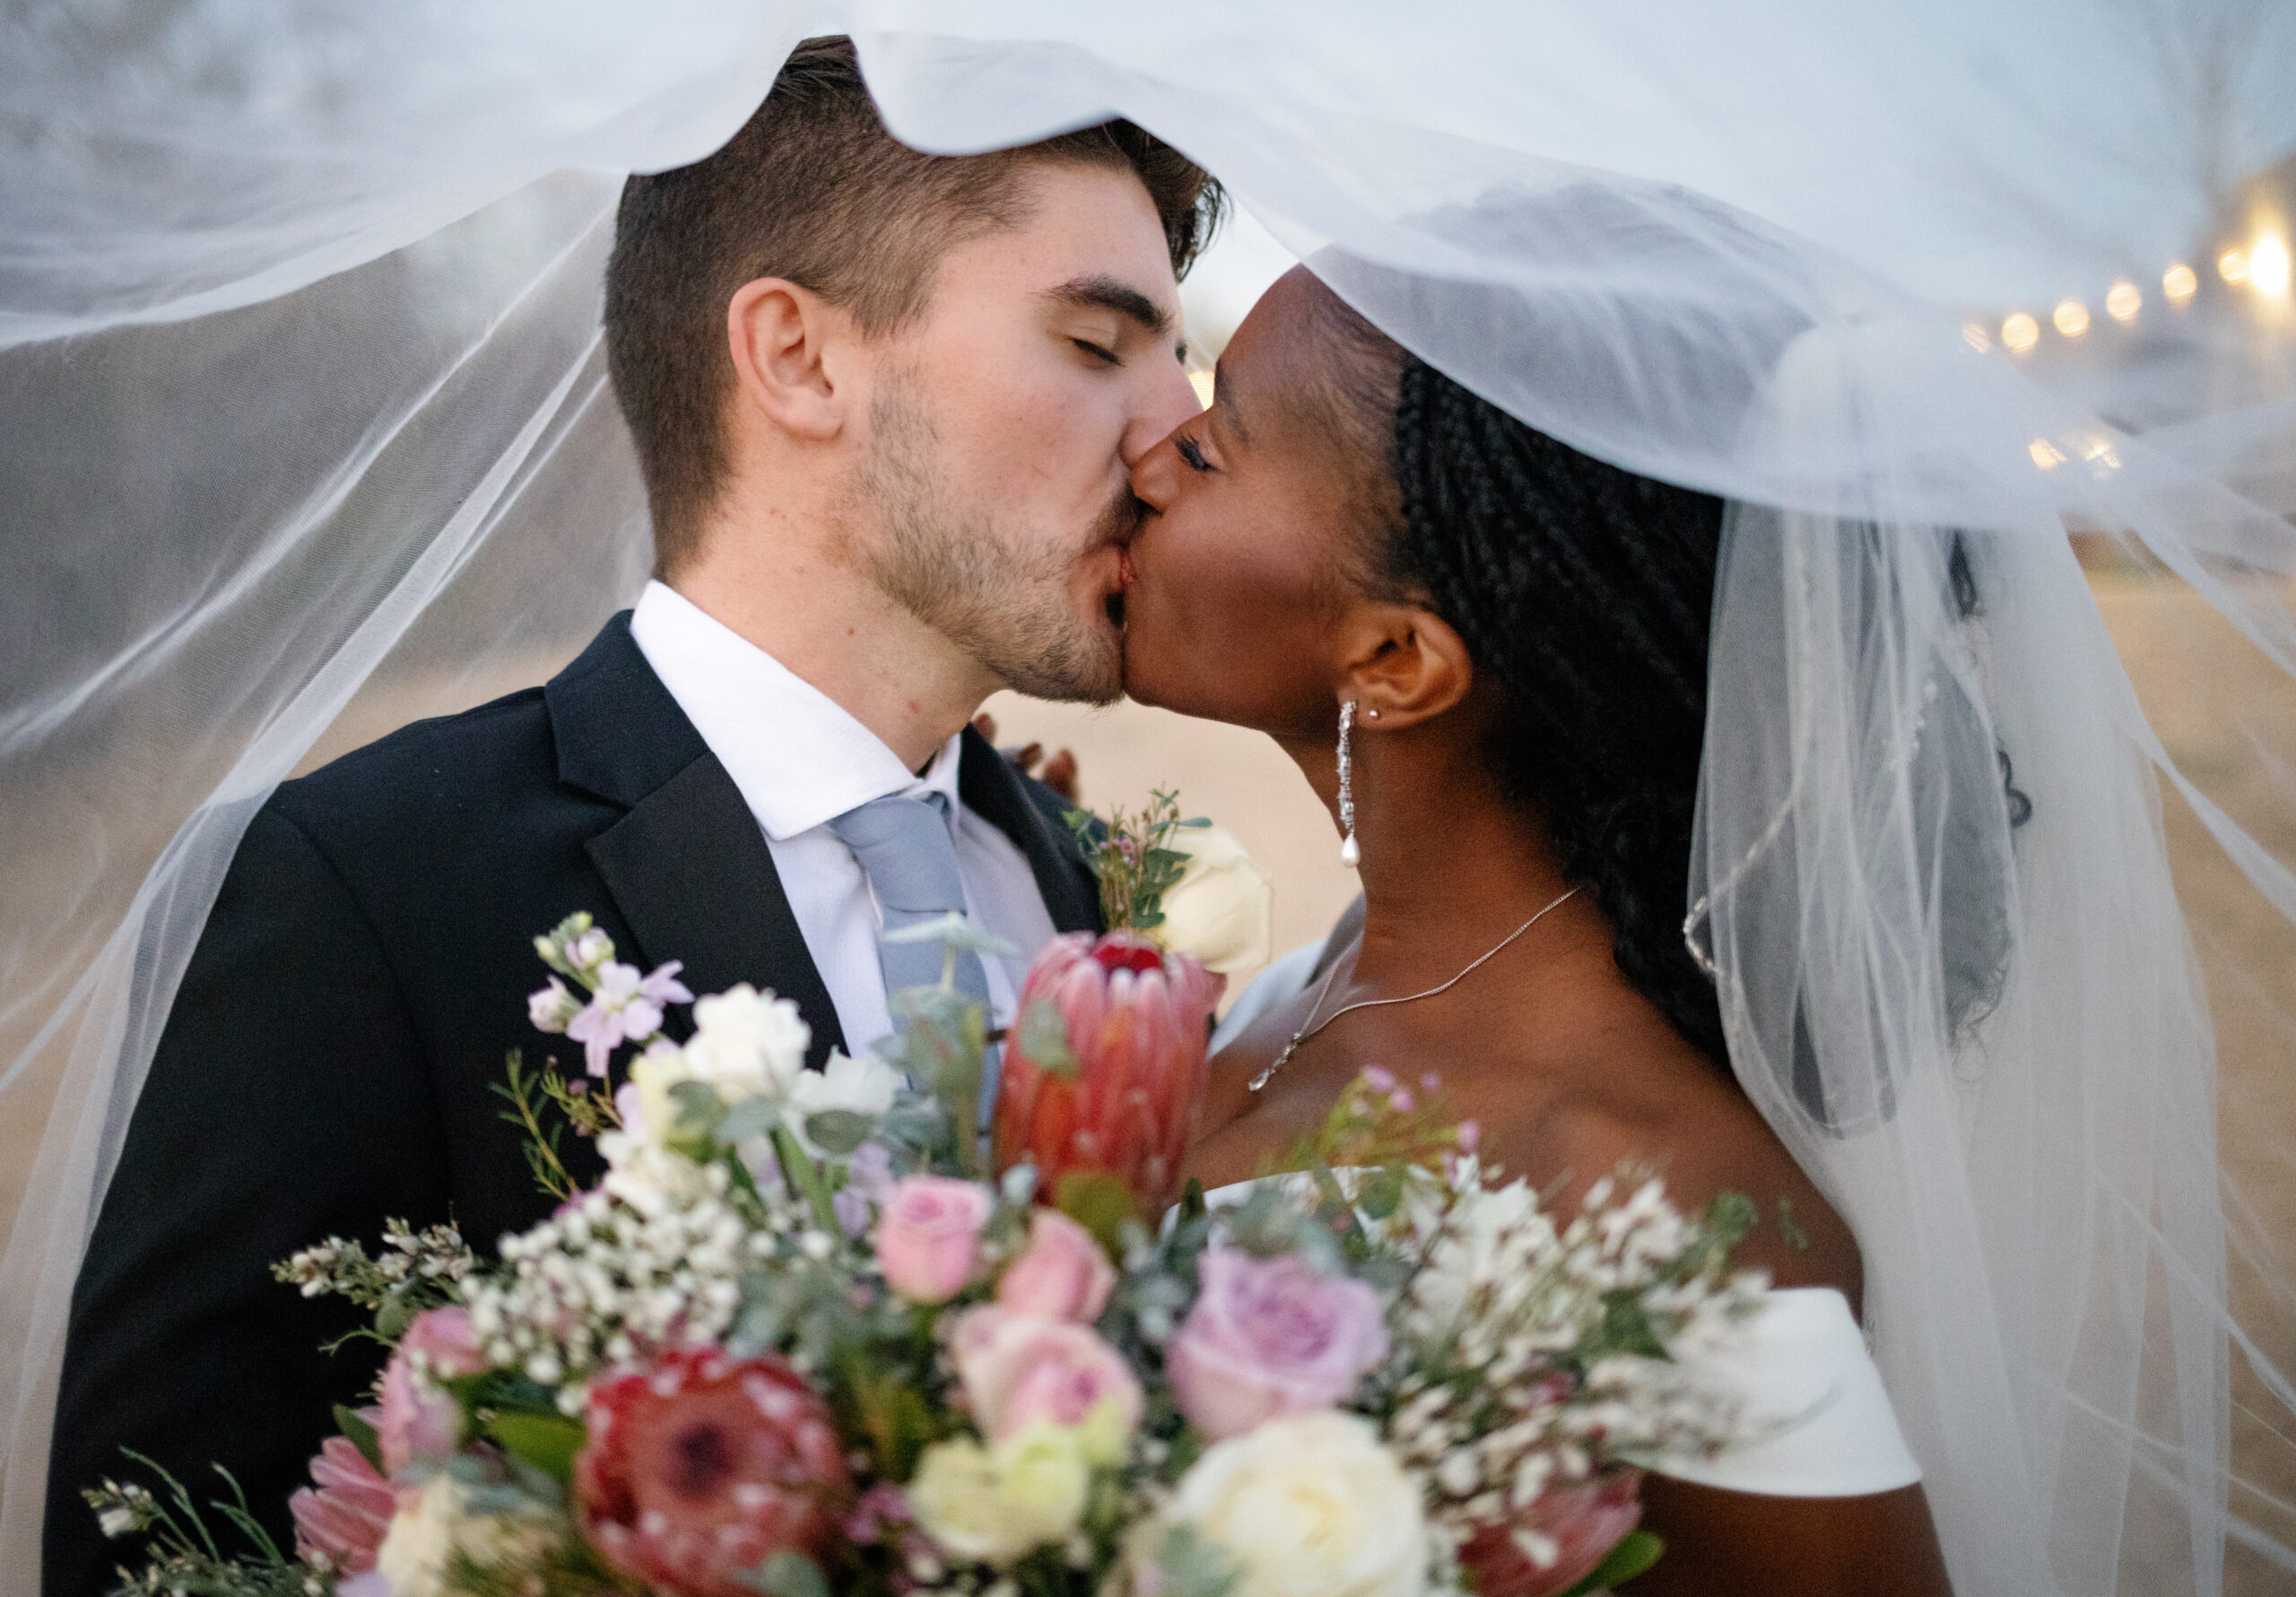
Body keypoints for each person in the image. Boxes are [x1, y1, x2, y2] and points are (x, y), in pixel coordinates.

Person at [39, 37, 1215, 1595]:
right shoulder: (372, 885)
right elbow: (158, 1549)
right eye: (1095, 343)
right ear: (797, 358)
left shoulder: (1074, 893)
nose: (1176, 430)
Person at [1123, 265, 1959, 1593]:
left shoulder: (1673, 1216)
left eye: (1215, 444)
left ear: (1396, 661)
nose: (1148, 451)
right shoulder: (1338, 972)